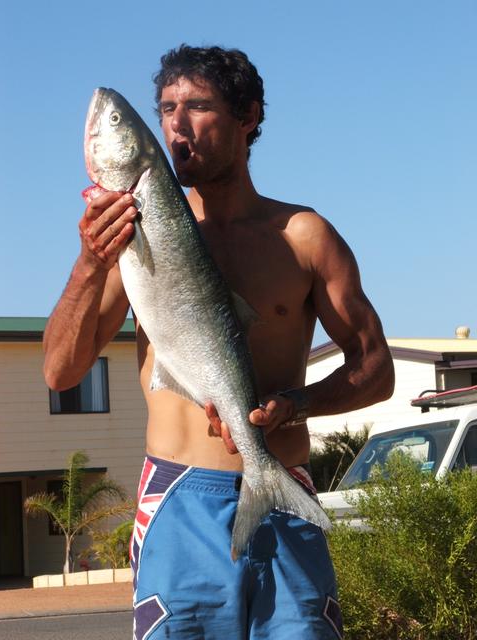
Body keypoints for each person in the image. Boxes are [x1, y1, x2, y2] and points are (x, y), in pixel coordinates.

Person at [44, 45, 394, 639]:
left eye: (198, 106)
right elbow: (60, 372)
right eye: (166, 109)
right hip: (179, 497)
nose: (177, 124)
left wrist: (298, 402)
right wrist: (88, 264)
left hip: (282, 484)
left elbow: (376, 368)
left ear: (248, 116)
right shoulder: (127, 239)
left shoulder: (304, 236)